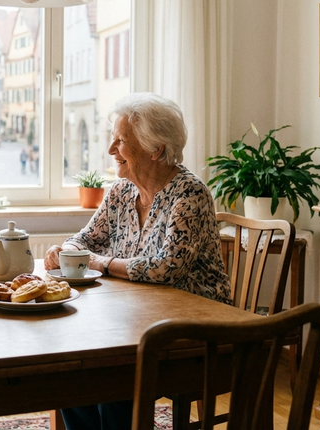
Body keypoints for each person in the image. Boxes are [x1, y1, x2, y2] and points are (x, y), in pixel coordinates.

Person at [44, 92, 232, 429]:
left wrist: (97, 262)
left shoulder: (190, 194)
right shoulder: (120, 191)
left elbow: (164, 268)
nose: (111, 150)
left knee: (110, 372)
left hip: (193, 335)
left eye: (120, 141)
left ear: (155, 149)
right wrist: (66, 249)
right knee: (73, 371)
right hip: (137, 320)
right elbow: (86, 238)